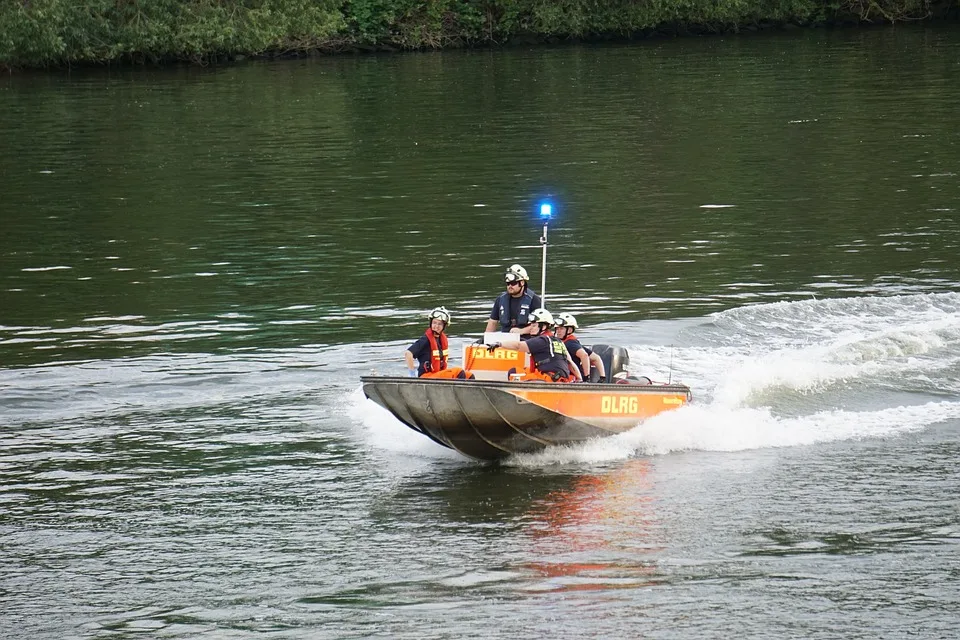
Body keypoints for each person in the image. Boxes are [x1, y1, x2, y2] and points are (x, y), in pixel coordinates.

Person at [488, 308, 582, 383]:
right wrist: (579, 379)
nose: (530, 328)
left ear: (543, 327)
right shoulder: (559, 341)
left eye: (533, 325)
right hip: (561, 379)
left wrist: (499, 344)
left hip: (548, 380)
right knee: (524, 370)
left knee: (514, 372)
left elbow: (518, 346)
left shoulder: (542, 340)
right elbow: (570, 363)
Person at [405, 307, 474, 379]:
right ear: (431, 323)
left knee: (469, 375)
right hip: (426, 376)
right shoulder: (425, 340)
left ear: (444, 326)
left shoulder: (441, 339)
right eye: (434, 323)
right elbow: (408, 353)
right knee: (458, 372)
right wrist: (412, 374)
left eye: (439, 324)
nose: (436, 326)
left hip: (437, 374)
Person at [484, 264, 542, 334]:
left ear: (522, 283)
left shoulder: (534, 300)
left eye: (513, 283)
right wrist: (486, 338)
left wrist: (521, 331)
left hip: (527, 340)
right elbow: (493, 322)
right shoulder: (500, 300)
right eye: (508, 284)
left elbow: (541, 325)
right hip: (505, 339)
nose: (510, 286)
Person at [555, 312, 606, 383]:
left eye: (561, 329)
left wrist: (586, 377)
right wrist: (602, 377)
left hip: (573, 378)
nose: (558, 331)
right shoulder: (574, 342)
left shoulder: (570, 344)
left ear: (569, 330)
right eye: (557, 329)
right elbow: (596, 358)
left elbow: (584, 355)